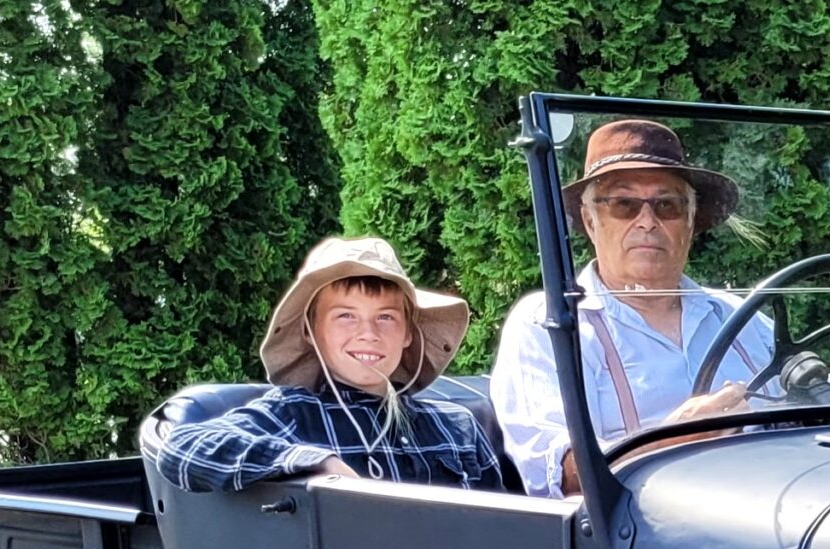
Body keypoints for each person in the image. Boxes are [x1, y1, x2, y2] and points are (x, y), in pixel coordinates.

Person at [490, 119, 778, 498]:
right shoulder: (551, 324)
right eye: (624, 205)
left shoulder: (740, 318)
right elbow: (560, 477)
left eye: (667, 205)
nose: (647, 222)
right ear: (590, 220)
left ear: (690, 222)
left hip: (780, 513)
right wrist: (675, 437)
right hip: (643, 531)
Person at [153, 236, 505, 493]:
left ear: (409, 334)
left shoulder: (457, 427)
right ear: (311, 332)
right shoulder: (293, 415)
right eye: (346, 316)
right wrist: (315, 462)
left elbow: (506, 532)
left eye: (385, 317)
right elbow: (182, 448)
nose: (368, 334)